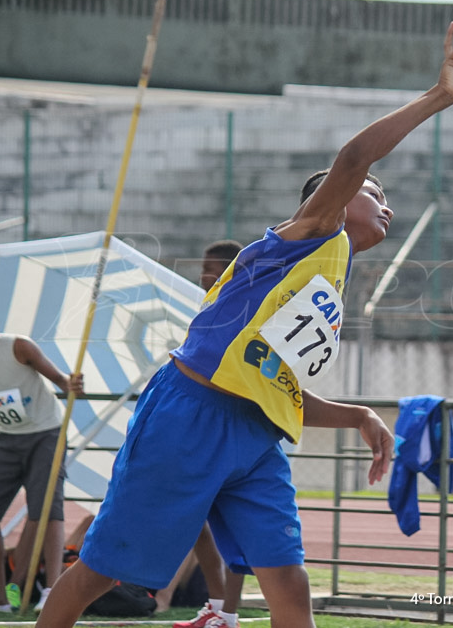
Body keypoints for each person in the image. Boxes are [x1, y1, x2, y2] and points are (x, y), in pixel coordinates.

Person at [35, 22, 453, 628]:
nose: (387, 205)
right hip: (189, 415)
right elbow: (355, 158)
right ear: (333, 197)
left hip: (254, 433)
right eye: (374, 193)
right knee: (102, 571)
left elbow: (273, 382)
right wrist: (439, 98)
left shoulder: (332, 278)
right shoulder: (312, 232)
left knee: (288, 579)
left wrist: (356, 414)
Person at [0, 289, 84, 614]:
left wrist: (71, 383)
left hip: (47, 435)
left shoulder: (19, 346)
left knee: (47, 511)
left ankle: (52, 589)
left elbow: (61, 381)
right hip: (7, 440)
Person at [170, 238, 247, 627]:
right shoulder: (207, 305)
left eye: (209, 267)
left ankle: (228, 612)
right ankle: (218, 605)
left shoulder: (243, 306)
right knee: (197, 519)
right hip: (199, 426)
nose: (202, 274)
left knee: (236, 526)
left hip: (235, 427)